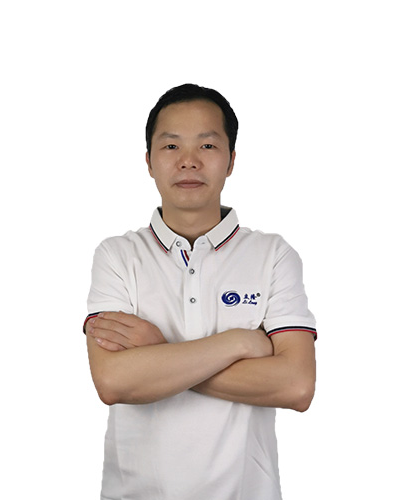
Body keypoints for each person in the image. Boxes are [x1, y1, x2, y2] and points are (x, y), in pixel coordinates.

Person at [84, 83, 317, 500]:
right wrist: (240, 342)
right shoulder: (118, 255)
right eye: (171, 146)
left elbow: (296, 386)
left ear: (231, 161)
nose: (188, 161)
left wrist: (158, 353)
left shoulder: (273, 255)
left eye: (207, 145)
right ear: (149, 161)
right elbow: (113, 381)